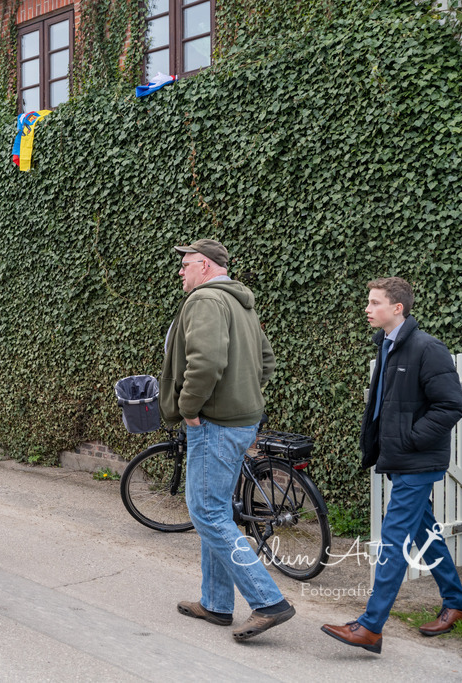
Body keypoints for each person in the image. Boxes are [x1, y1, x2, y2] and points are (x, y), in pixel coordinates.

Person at [322, 277, 462, 653]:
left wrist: (411, 439)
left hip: (418, 460)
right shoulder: (387, 345)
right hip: (401, 458)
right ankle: (459, 603)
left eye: (374, 303)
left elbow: (451, 405)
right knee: (424, 531)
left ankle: (370, 626)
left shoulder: (427, 348)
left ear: (397, 308)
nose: (367, 309)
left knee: (394, 539)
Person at [159, 239, 292, 641]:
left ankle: (268, 601)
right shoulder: (240, 302)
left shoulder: (206, 300)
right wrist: (244, 395)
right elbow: (266, 361)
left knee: (207, 512)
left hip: (214, 424)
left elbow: (207, 361)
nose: (181, 272)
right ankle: (216, 603)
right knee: (214, 509)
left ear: (204, 265)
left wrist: (189, 408)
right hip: (239, 420)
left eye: (185, 265)